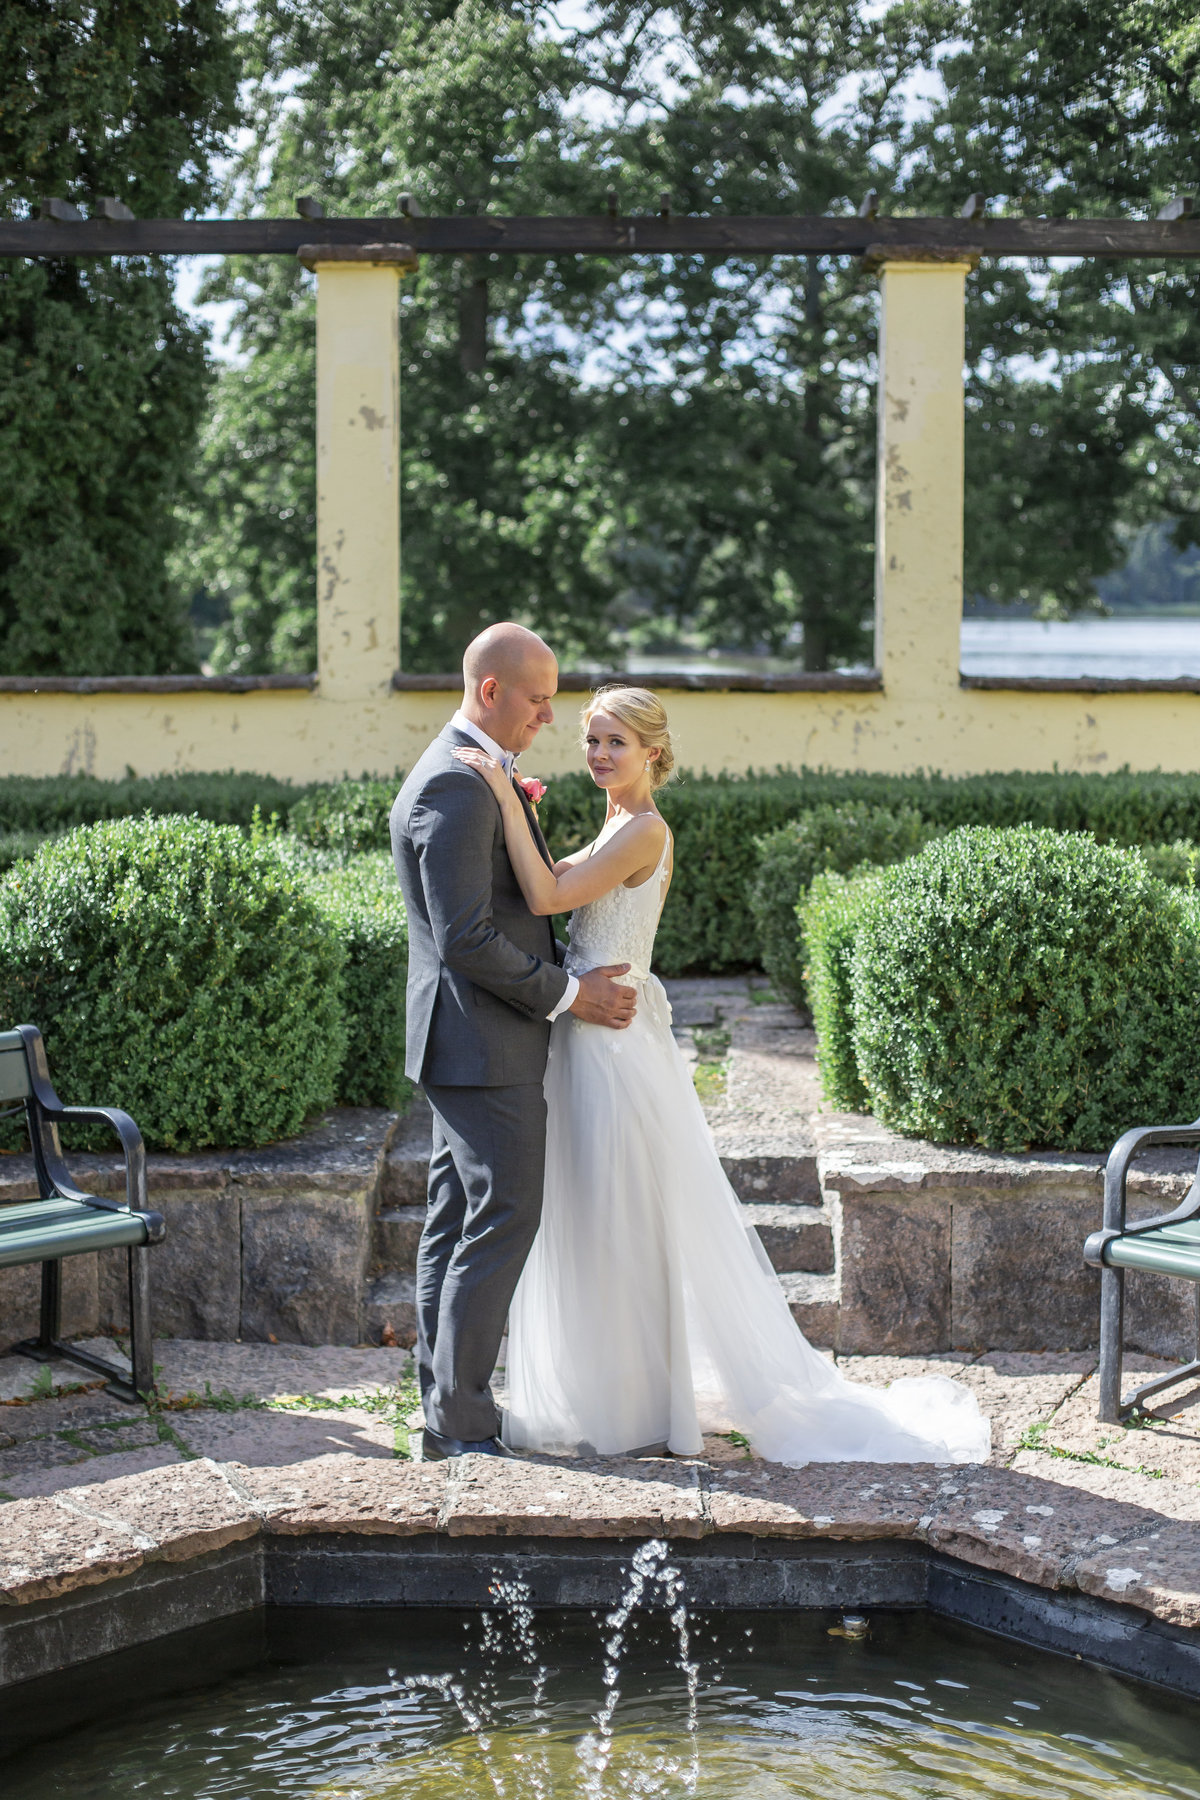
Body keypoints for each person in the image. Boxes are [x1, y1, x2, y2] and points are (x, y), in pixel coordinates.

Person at [453, 685, 991, 1466]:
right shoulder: (612, 821)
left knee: (621, 1217)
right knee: (588, 1216)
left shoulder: (643, 830)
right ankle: (598, 1390)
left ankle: (634, 1404)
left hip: (612, 1050)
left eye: (616, 743)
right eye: (593, 740)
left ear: (653, 754)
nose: (600, 755)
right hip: (584, 1036)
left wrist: (502, 792)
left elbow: (545, 891)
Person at [390, 625, 637, 1461]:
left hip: (469, 1041)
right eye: (538, 699)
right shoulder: (456, 788)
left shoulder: (472, 773)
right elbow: (466, 937)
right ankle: (459, 1423)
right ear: (491, 692)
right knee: (501, 1218)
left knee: (456, 1219)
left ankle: (442, 1409)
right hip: (481, 1044)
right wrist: (571, 995)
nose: (548, 714)